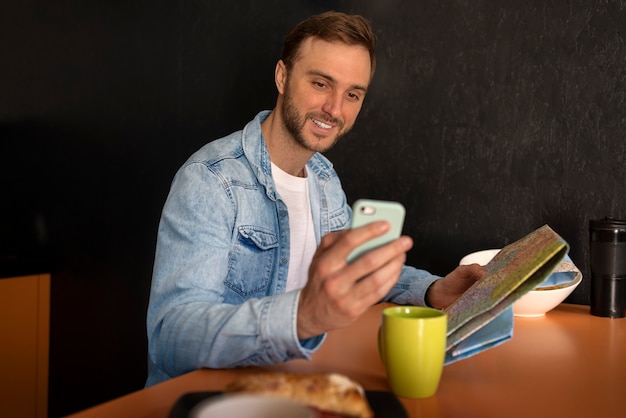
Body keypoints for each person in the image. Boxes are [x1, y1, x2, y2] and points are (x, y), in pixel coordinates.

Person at [145, 11, 484, 387]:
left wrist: (434, 290)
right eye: (322, 84)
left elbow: (354, 271)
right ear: (282, 76)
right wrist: (302, 315)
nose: (335, 109)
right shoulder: (211, 180)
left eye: (352, 94)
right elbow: (171, 336)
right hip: (209, 399)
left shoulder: (323, 179)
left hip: (293, 389)